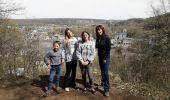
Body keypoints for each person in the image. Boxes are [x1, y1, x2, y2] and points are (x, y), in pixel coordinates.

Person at [95, 25, 111, 97]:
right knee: (102, 71)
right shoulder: (98, 38)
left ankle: (106, 89)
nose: (99, 31)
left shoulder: (107, 38)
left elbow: (108, 49)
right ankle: (103, 83)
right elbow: (96, 46)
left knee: (105, 72)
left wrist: (104, 58)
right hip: (100, 57)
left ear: (102, 30)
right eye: (98, 30)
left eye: (100, 29)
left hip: (106, 57)